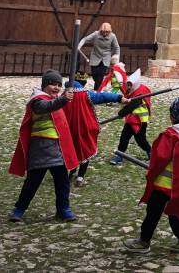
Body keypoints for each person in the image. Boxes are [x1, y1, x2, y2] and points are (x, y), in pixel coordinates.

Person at [123, 96, 179, 255]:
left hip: (163, 185)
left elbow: (159, 157)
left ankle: (143, 242)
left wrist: (152, 171)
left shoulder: (170, 135)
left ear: (172, 115)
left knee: (152, 214)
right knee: (176, 214)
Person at [8, 70, 79, 222]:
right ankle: (19, 209)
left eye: (59, 85)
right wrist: (63, 99)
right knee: (32, 183)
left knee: (63, 184)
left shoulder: (57, 100)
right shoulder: (37, 100)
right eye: (53, 84)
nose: (56, 87)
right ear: (45, 85)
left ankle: (63, 210)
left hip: (58, 151)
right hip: (40, 150)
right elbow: (46, 107)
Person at [64, 80, 127, 187]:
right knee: (85, 150)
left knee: (73, 151)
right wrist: (119, 98)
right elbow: (102, 96)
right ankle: (80, 177)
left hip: (70, 130)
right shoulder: (86, 94)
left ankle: (71, 173)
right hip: (85, 129)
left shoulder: (64, 96)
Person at [110, 70, 151, 165]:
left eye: (130, 85)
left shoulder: (140, 93)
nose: (128, 87)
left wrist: (121, 113)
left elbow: (131, 106)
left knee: (141, 140)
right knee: (124, 138)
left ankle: (150, 152)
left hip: (140, 121)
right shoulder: (132, 91)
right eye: (127, 85)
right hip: (131, 120)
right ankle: (120, 155)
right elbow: (126, 99)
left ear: (134, 85)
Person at [76, 22, 121, 93]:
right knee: (94, 74)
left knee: (101, 74)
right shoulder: (96, 34)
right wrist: (79, 45)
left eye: (107, 32)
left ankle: (97, 90)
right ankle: (97, 87)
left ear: (110, 31)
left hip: (106, 57)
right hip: (95, 56)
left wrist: (117, 56)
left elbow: (117, 47)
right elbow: (85, 39)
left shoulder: (112, 36)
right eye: (103, 31)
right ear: (101, 30)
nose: (105, 33)